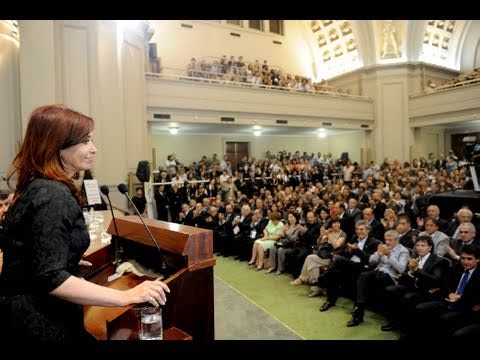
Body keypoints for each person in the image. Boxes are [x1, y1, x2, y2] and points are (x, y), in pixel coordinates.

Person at [0, 105, 170, 342]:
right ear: (57, 145)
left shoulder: (39, 186)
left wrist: (65, 252)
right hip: (38, 319)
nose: (93, 149)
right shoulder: (53, 194)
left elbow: (30, 248)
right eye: (85, 141)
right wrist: (127, 296)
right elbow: (50, 278)